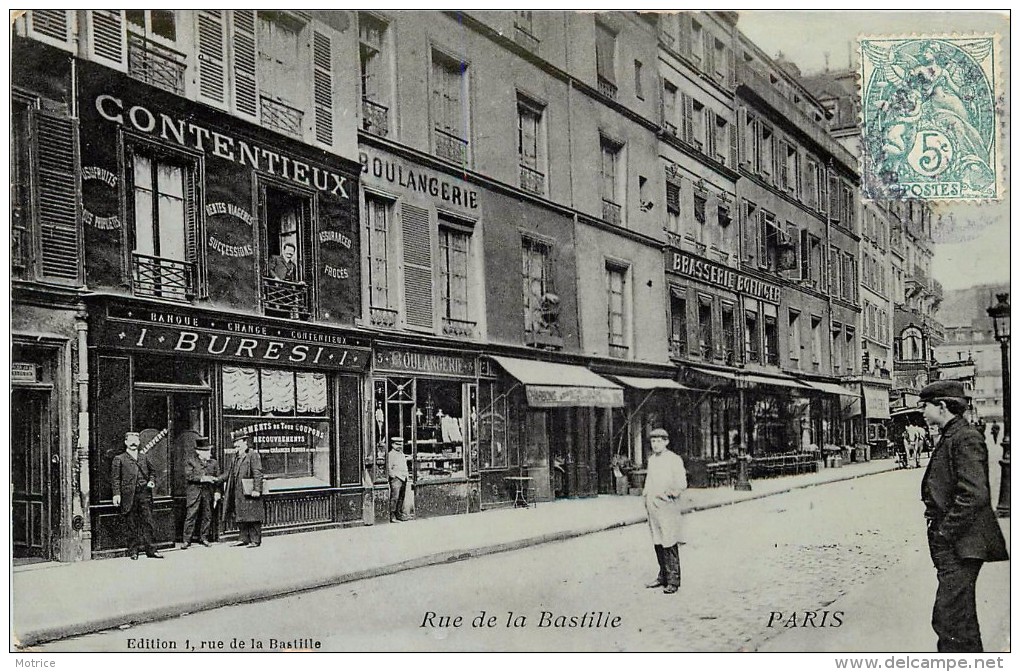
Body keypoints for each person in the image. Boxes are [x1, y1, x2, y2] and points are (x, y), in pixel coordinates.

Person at [919, 381, 1008, 652]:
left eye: (925, 406)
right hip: (958, 544)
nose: (922, 412)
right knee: (960, 621)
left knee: (950, 620)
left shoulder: (965, 437)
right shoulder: (953, 435)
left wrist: (945, 533)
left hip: (961, 545)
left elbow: (974, 495)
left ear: (942, 407)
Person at [643, 428, 687, 595]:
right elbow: (649, 480)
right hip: (653, 505)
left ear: (666, 442)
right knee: (658, 540)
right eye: (653, 441)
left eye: (659, 441)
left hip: (667, 506)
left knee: (669, 540)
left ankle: (673, 580)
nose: (656, 444)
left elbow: (681, 482)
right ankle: (663, 576)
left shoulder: (674, 460)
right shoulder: (652, 460)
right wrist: (645, 496)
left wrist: (670, 493)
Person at [110, 431, 163, 560]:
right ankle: (133, 551)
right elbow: (115, 479)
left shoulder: (144, 457)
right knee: (132, 524)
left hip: (144, 494)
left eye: (136, 441)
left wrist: (151, 481)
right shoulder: (119, 459)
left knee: (148, 522)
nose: (133, 443)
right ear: (126, 443)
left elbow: (153, 472)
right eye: (130, 441)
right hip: (129, 496)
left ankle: (152, 550)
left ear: (139, 443)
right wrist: (116, 494)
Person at [223, 433, 265, 548]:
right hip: (238, 491)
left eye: (238, 442)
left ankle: (255, 540)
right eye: (235, 443)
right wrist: (217, 479)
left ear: (244, 442)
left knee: (253, 515)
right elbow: (229, 473)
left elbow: (258, 473)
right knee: (241, 515)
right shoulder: (235, 457)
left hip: (249, 491)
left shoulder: (252, 455)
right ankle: (243, 538)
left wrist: (257, 489)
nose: (236, 445)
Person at [181, 436, 221, 549]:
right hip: (194, 493)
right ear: (199, 452)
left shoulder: (213, 463)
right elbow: (189, 476)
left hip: (208, 493)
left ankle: (204, 538)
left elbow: (218, 480)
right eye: (207, 451)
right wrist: (204, 478)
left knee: (207, 516)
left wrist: (217, 492)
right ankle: (186, 540)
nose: (209, 453)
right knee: (191, 516)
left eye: (209, 450)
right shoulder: (190, 461)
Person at [387, 437, 409, 522]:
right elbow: (389, 468)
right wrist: (393, 476)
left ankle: (398, 513)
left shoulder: (401, 454)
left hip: (403, 478)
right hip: (397, 479)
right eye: (397, 444)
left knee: (401, 497)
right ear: (392, 445)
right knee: (395, 497)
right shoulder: (391, 454)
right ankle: (392, 515)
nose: (399, 446)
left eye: (401, 444)